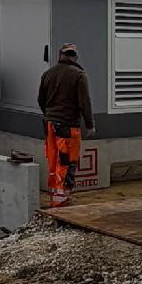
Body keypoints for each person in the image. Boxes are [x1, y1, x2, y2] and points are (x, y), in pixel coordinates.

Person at [38, 42, 95, 205]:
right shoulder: (79, 75)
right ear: (75, 57)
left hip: (49, 125)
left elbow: (41, 99)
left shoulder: (48, 74)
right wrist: (90, 125)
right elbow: (84, 102)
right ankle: (61, 200)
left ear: (60, 55)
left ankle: (54, 196)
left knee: (53, 160)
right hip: (68, 127)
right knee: (67, 161)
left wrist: (50, 115)